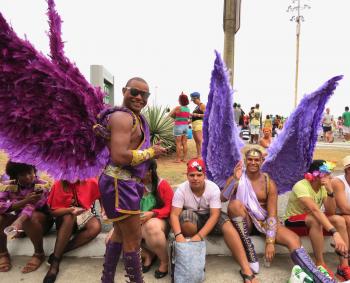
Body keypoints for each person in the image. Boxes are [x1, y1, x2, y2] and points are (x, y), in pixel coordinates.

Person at [224, 149, 339, 283]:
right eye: (250, 159)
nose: (253, 163)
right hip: (245, 222)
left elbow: (272, 214)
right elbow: (223, 197)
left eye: (256, 160)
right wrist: (235, 180)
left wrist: (270, 241)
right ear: (245, 161)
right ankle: (250, 253)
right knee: (234, 205)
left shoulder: (269, 183)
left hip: (264, 223)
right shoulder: (236, 178)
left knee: (294, 239)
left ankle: (319, 278)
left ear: (262, 161)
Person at [95, 77, 167, 283]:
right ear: (124, 91)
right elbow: (119, 156)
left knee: (119, 232)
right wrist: (151, 152)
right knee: (133, 238)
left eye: (144, 95)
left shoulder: (135, 118)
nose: (139, 97)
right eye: (134, 92)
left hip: (125, 183)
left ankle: (106, 279)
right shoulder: (122, 117)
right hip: (119, 183)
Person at [170, 158, 258, 283]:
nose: (195, 178)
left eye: (199, 175)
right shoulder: (181, 190)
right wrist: (178, 235)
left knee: (228, 226)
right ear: (187, 175)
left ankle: (246, 269)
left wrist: (200, 235)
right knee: (186, 219)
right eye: (192, 175)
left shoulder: (213, 188)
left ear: (204, 175)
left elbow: (215, 215)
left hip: (210, 215)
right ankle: (194, 265)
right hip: (192, 217)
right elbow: (174, 214)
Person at [284, 159, 350, 281]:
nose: (330, 176)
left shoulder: (323, 188)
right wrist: (335, 233)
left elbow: (330, 211)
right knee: (316, 219)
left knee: (339, 220)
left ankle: (344, 266)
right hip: (293, 222)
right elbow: (315, 210)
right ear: (315, 175)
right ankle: (320, 263)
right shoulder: (301, 185)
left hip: (313, 221)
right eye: (327, 174)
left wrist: (330, 192)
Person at [43, 178, 101, 283]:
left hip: (84, 213)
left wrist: (104, 209)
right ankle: (55, 264)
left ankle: (59, 252)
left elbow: (101, 194)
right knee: (70, 216)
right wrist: (70, 210)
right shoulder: (58, 184)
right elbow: (53, 212)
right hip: (65, 216)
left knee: (95, 227)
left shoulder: (91, 181)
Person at [0, 161, 52, 273]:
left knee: (30, 217)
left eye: (30, 172)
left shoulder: (42, 185)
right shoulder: (8, 185)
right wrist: (24, 201)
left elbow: (32, 206)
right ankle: (2, 253)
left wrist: (18, 221)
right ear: (15, 176)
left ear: (34, 170)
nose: (28, 177)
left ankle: (39, 254)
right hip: (20, 223)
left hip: (41, 222)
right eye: (23, 175)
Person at [140, 159, 173, 279]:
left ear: (150, 171)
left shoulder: (162, 185)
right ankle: (147, 255)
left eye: (141, 169)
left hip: (159, 220)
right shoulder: (134, 184)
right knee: (112, 238)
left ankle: (164, 261)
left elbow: (170, 208)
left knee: (151, 226)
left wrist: (152, 214)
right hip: (138, 221)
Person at [169, 92, 191, 162]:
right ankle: (184, 158)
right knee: (185, 142)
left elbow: (170, 115)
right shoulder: (188, 109)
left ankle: (178, 159)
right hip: (186, 126)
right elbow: (188, 118)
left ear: (180, 100)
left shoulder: (178, 108)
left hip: (178, 126)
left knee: (178, 143)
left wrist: (175, 117)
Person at [190, 92, 206, 158]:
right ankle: (199, 155)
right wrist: (189, 121)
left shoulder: (202, 105)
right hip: (194, 124)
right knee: (197, 141)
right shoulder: (197, 106)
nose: (193, 101)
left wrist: (197, 115)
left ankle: (202, 155)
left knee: (199, 140)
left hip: (199, 124)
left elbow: (207, 115)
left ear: (197, 98)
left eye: (194, 100)